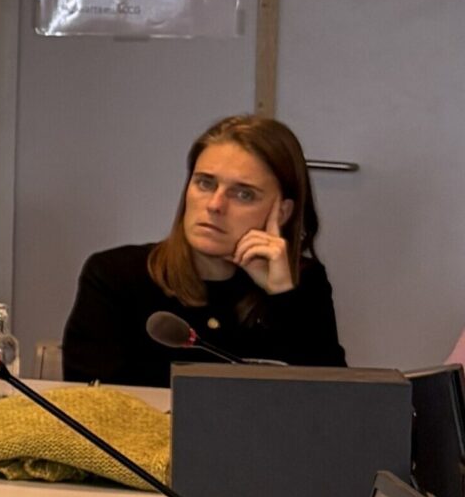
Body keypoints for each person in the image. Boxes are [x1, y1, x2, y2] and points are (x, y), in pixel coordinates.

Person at [60, 113, 345, 388]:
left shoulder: (304, 285)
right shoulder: (115, 275)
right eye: (205, 183)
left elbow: (332, 403)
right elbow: (89, 403)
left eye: (243, 194)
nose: (215, 205)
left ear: (281, 212)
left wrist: (283, 296)